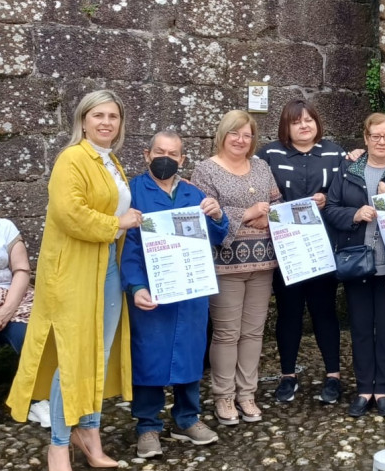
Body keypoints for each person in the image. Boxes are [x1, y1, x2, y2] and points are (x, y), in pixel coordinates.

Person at [7, 89, 142, 470]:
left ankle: (90, 435)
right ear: (82, 120)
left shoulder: (110, 160)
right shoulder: (72, 158)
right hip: (74, 271)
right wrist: (118, 222)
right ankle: (58, 446)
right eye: (98, 115)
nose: (105, 122)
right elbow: (71, 214)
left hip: (107, 268)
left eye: (112, 117)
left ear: (120, 124)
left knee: (96, 355)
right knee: (73, 357)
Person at [121, 132, 228, 458]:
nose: (165, 158)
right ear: (146, 154)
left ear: (183, 159)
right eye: (159, 152)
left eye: (173, 153)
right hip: (153, 291)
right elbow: (128, 247)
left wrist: (218, 215)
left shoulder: (195, 194)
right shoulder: (132, 192)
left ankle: (187, 418)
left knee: (190, 353)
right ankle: (148, 426)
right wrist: (136, 286)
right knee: (147, 356)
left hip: (190, 291)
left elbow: (217, 236)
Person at [323, 113, 385, 418]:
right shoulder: (348, 169)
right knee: (361, 328)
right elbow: (331, 209)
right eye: (376, 136)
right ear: (365, 138)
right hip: (357, 262)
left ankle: (384, 389)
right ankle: (364, 387)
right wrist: (356, 214)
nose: (382, 142)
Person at [192, 110, 281, 426]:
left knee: (253, 332)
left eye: (247, 134)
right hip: (225, 264)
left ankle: (247, 393)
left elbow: (276, 205)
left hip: (263, 260)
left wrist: (264, 214)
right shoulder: (205, 170)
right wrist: (246, 214)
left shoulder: (261, 167)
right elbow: (203, 213)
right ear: (222, 135)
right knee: (227, 333)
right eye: (235, 133)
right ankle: (224, 395)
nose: (241, 140)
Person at [257, 99, 346, 404]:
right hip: (287, 249)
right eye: (297, 122)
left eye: (309, 120)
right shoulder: (268, 154)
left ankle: (333, 375)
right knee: (289, 312)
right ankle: (287, 375)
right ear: (287, 126)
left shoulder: (336, 152)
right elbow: (248, 181)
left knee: (325, 311)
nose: (304, 125)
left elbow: (348, 187)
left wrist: (328, 196)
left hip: (322, 247)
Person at [0, 193, 49, 428]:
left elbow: (21, 270)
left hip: (12, 300)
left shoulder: (4, 227)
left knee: (31, 337)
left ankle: (38, 400)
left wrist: (3, 313)